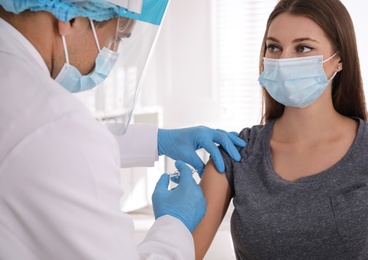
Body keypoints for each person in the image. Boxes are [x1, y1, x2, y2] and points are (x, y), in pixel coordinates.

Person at [0, 0, 246, 259]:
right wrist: (175, 223)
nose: (111, 53)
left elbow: (38, 148)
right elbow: (57, 140)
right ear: (70, 18)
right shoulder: (57, 123)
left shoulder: (27, 102)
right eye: (116, 37)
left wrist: (159, 140)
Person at [192, 0, 368, 259]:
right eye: (274, 47)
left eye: (303, 48)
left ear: (339, 59)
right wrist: (173, 219)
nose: (283, 61)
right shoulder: (237, 152)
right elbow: (182, 251)